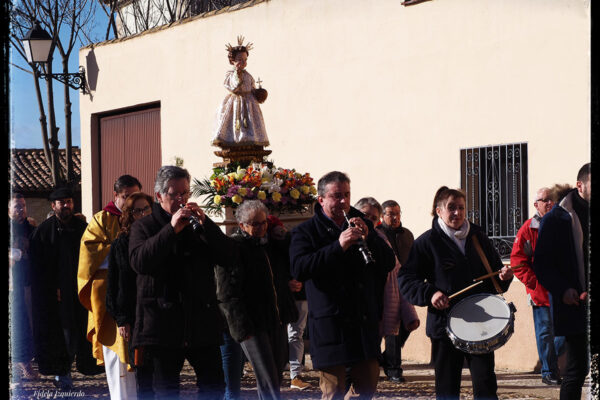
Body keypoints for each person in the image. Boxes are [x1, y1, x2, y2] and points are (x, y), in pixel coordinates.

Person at [397, 186, 514, 400]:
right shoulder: (427, 242)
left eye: (461, 208)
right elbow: (406, 279)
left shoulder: (478, 236)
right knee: (448, 387)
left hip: (481, 325)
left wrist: (504, 277)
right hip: (445, 326)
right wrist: (430, 294)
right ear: (438, 210)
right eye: (451, 208)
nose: (457, 213)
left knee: (485, 382)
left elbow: (495, 273)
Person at [289, 171, 396, 400]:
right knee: (334, 390)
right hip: (331, 323)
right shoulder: (305, 232)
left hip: (362, 322)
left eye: (347, 195)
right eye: (337, 196)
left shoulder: (362, 224)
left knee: (366, 385)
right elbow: (300, 268)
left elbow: (388, 263)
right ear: (321, 200)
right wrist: (337, 246)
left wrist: (372, 238)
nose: (344, 201)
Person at [129, 166, 225, 399]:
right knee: (165, 391)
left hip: (200, 321)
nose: (182, 199)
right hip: (161, 326)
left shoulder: (198, 225)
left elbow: (228, 257)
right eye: (175, 194)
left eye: (185, 193)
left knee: (214, 386)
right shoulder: (143, 227)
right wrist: (170, 229)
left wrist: (207, 226)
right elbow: (139, 262)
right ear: (160, 196)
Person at [203, 200, 298, 400]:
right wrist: (241, 328)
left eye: (264, 223)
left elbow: (285, 268)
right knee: (268, 378)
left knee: (276, 373)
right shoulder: (234, 248)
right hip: (252, 325)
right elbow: (227, 293)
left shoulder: (270, 244)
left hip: (277, 318)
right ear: (242, 225)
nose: (261, 228)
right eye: (255, 224)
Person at [29, 187, 101, 390]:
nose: (66, 205)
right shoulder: (43, 232)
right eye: (62, 202)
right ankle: (63, 374)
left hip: (82, 292)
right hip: (56, 297)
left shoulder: (84, 228)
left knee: (82, 331)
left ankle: (87, 366)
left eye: (69, 201)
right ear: (53, 206)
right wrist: (52, 289)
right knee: (62, 335)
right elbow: (38, 268)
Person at [77, 174, 142, 399]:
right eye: (127, 197)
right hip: (109, 295)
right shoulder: (101, 220)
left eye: (135, 196)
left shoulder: (141, 217)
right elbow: (89, 254)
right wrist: (120, 249)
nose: (131, 201)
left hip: (139, 293)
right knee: (117, 354)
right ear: (116, 195)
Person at [533, 163, 591, 400]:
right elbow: (543, 265)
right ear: (580, 185)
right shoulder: (557, 218)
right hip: (575, 304)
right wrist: (564, 289)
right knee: (577, 369)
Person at [357, 198, 420, 384]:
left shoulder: (407, 234)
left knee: (404, 326)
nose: (395, 217)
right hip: (384, 288)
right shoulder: (377, 234)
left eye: (398, 213)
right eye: (391, 213)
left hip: (404, 283)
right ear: (383, 217)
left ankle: (382, 359)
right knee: (389, 330)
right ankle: (393, 369)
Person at [510, 187, 565, 386]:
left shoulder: (562, 223)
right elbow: (517, 260)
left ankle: (552, 366)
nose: (549, 203)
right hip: (540, 291)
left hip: (562, 290)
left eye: (552, 199)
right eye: (545, 200)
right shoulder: (528, 229)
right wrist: (532, 283)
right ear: (536, 205)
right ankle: (548, 371)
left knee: (563, 333)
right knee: (544, 332)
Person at [105, 192, 153, 382]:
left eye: (146, 209)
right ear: (129, 214)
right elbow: (117, 283)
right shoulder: (121, 243)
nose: (142, 214)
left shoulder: (162, 235)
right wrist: (122, 318)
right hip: (135, 314)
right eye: (137, 211)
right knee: (142, 369)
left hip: (159, 311)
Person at [212, 36, 269, 147]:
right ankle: (234, 142)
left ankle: (252, 143)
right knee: (234, 123)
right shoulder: (230, 74)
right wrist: (237, 74)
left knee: (252, 124)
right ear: (233, 61)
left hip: (250, 105)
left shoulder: (248, 75)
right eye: (240, 60)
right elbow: (232, 85)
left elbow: (252, 88)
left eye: (245, 60)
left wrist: (258, 93)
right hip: (236, 103)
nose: (243, 62)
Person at [9, 193, 39, 381]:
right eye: (16, 206)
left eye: (23, 206)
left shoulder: (31, 227)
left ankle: (28, 359)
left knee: (29, 322)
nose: (20, 210)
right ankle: (24, 364)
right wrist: (19, 252)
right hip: (12, 283)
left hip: (30, 281)